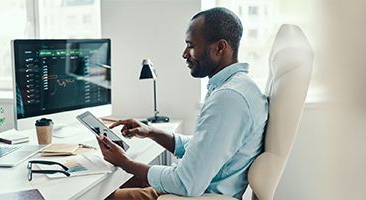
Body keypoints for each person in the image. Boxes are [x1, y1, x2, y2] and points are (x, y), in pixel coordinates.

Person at [96, 7, 268, 200]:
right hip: (196, 189)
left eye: (191, 45)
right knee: (117, 183)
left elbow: (187, 183)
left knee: (99, 195)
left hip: (195, 195)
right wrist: (151, 132)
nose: (185, 54)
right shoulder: (239, 87)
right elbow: (203, 147)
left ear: (220, 47)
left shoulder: (229, 98)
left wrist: (124, 162)